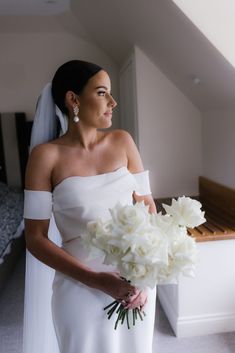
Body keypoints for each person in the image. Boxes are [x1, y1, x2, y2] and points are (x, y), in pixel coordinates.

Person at [23, 60, 157, 353]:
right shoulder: (45, 157)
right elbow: (35, 238)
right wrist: (96, 280)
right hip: (80, 286)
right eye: (101, 93)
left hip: (135, 283)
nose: (113, 101)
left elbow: (147, 207)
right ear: (73, 99)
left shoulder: (123, 142)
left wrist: (146, 276)